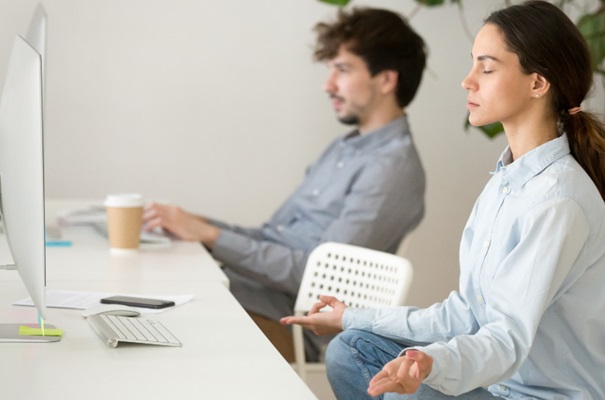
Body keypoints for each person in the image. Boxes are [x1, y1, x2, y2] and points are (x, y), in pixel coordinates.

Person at [280, 1, 605, 399]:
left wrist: (432, 363)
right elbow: (465, 314)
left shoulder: (557, 202)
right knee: (351, 347)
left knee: (393, 380)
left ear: (538, 83)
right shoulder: (506, 183)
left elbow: (506, 340)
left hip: (533, 394)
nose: (468, 81)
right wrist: (352, 317)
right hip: (497, 384)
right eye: (472, 64)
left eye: (487, 68)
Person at [143, 7, 428, 363]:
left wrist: (211, 237)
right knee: (145, 294)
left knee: (162, 325)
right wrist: (197, 226)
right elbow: (272, 235)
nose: (328, 85)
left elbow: (321, 279)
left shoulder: (392, 170)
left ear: (386, 80)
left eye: (342, 70)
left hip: (291, 326)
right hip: (252, 296)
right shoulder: (344, 149)